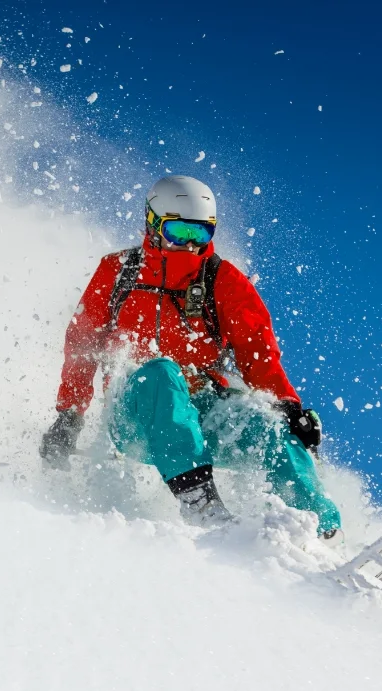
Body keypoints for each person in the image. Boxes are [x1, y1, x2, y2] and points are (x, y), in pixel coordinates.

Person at [40, 175, 341, 537]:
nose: (187, 245)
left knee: (268, 426)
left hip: (205, 411)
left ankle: (320, 531)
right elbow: (82, 345)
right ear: (152, 224)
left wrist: (288, 406)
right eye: (178, 232)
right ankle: (201, 503)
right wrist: (70, 416)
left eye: (199, 235)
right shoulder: (118, 271)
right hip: (134, 414)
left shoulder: (222, 279)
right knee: (161, 372)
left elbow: (256, 351)